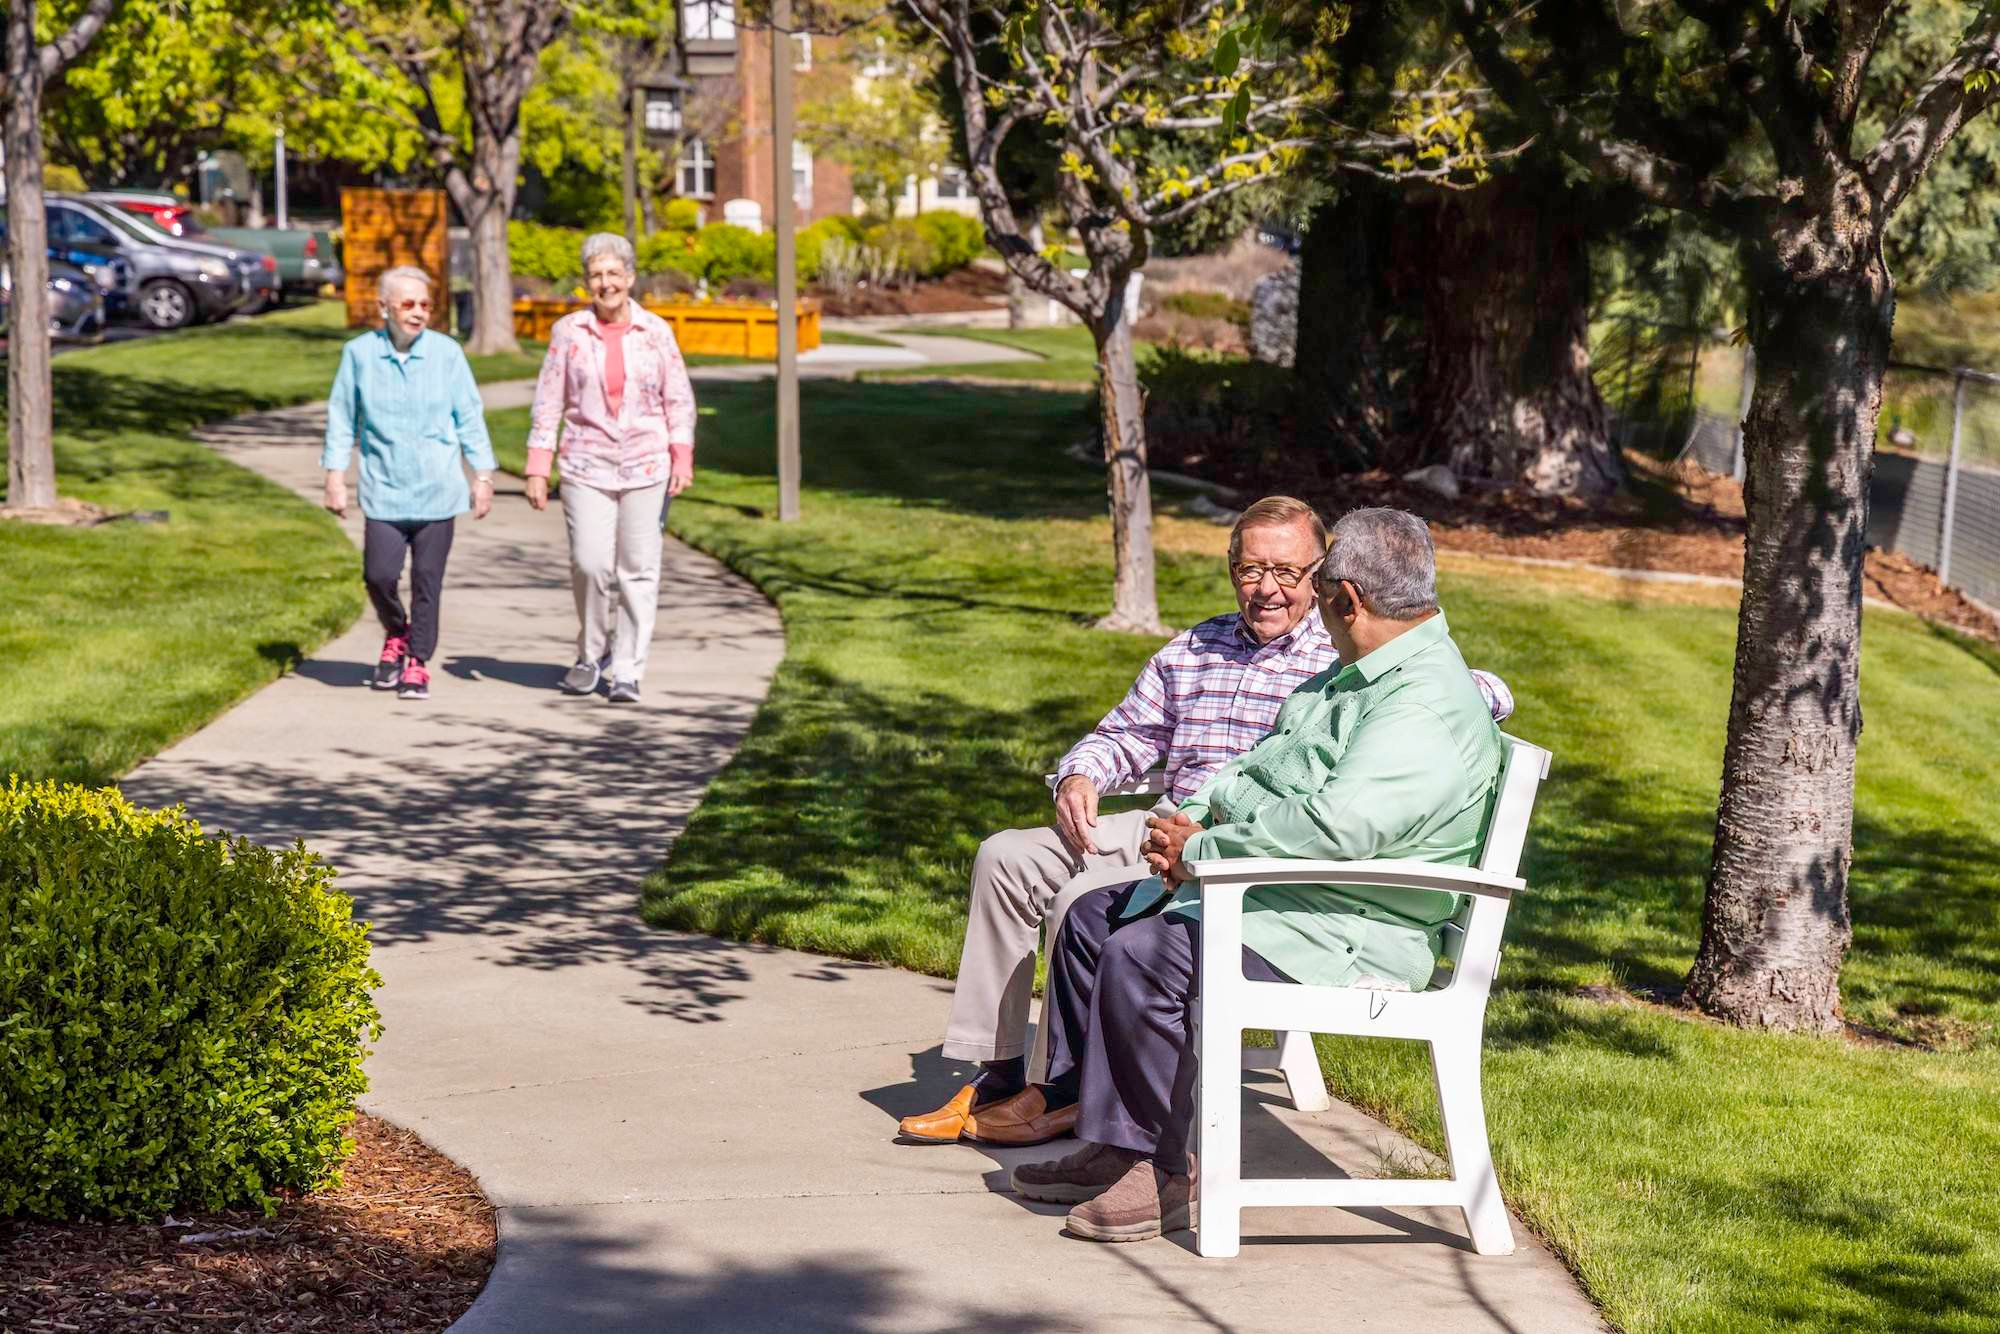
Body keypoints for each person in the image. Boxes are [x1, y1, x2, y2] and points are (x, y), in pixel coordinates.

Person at [897, 498, 1514, 1147]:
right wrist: (1082, 775)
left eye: (1289, 572)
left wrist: (1205, 845)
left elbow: (1454, 696)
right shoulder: (1197, 649)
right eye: (1251, 570)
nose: (1268, 588)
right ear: (1230, 571)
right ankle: (1001, 1073)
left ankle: (1086, 1108)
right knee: (1006, 857)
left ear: (1329, 584)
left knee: (1092, 910)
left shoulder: (1352, 661)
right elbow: (1127, 733)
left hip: (1246, 855)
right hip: (1178, 821)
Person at [524, 232, 697, 704]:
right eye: (596, 275)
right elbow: (548, 401)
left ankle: (627, 668)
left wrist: (682, 455)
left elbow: (678, 399)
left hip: (647, 463)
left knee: (637, 569)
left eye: (614, 274)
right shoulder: (569, 333)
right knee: (591, 562)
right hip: (585, 463)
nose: (606, 283)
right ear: (587, 283)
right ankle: (591, 653)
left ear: (631, 278)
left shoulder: (657, 331)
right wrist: (538, 465)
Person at [322, 265, 495, 701]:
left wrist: (483, 476)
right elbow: (343, 417)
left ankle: (417, 661)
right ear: (383, 307)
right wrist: (334, 477)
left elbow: (469, 416)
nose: (418, 313)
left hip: (438, 491)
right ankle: (396, 632)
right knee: (378, 576)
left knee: (426, 581)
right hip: (384, 490)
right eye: (408, 304)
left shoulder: (446, 354)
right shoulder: (359, 355)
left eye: (424, 305)